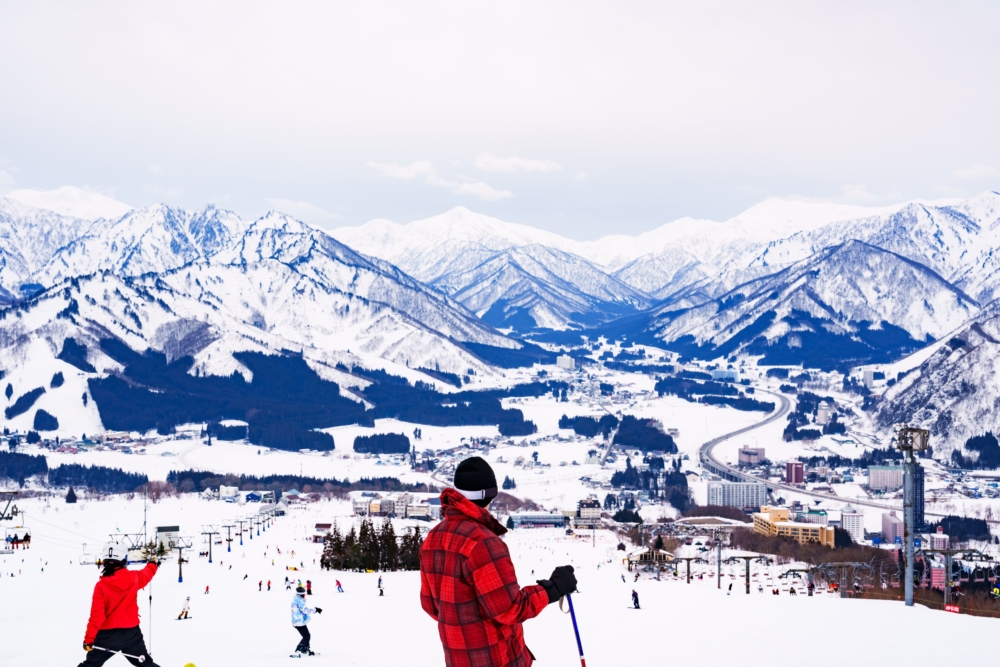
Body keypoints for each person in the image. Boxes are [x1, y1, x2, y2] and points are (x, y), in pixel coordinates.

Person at [420, 457, 576, 667]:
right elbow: (511, 609)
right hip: (497, 660)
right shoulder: (483, 543)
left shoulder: (433, 538)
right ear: (489, 495)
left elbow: (431, 606)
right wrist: (553, 589)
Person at [79, 542, 160, 667]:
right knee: (146, 664)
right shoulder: (134, 578)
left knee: (90, 665)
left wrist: (88, 640)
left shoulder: (101, 586)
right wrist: (153, 564)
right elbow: (146, 574)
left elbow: (97, 616)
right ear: (124, 559)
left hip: (107, 636)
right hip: (131, 634)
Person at [291, 585, 322, 656]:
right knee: (306, 636)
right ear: (302, 594)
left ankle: (305, 649)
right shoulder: (299, 601)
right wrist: (315, 610)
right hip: (298, 621)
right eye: (305, 594)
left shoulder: (296, 599)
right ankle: (299, 650)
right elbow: (305, 610)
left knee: (306, 635)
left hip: (297, 620)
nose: (305, 595)